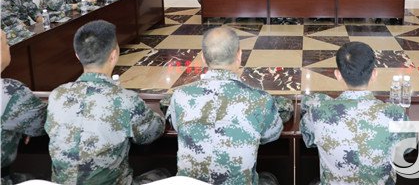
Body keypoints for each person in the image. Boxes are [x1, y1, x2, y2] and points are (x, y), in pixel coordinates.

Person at [45, 20, 167, 184]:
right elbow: (151, 133)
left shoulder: (57, 96)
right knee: (163, 173)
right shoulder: (125, 99)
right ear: (114, 55)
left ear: (77, 55)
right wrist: (160, 112)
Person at [167, 26, 292, 185]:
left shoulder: (180, 96)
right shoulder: (259, 100)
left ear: (203, 58)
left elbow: (177, 126)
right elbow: (272, 134)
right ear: (239, 55)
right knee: (269, 178)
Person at [300, 41, 409, 185]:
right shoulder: (396, 115)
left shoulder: (317, 112)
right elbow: (407, 148)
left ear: (338, 75)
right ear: (374, 74)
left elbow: (308, 139)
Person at [1, 30, 47, 184]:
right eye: (6, 43)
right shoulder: (12, 92)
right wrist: (24, 124)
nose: (9, 47)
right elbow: (44, 124)